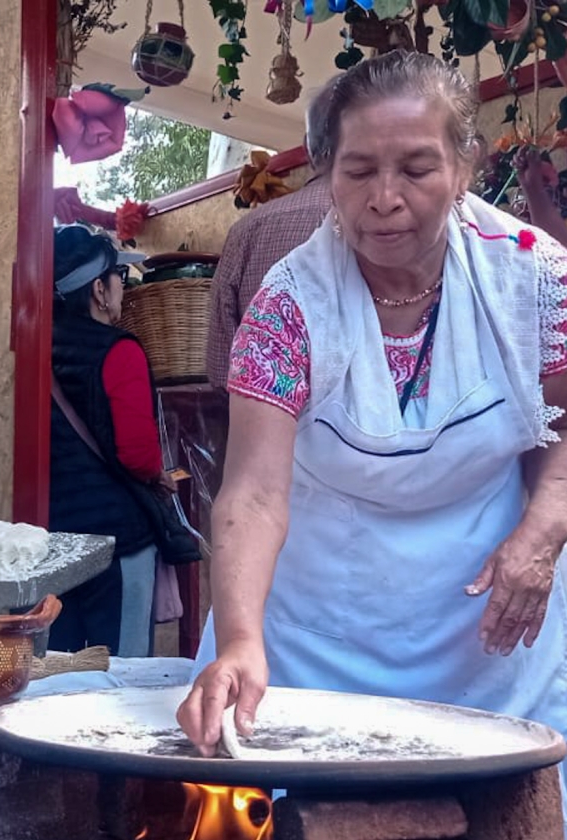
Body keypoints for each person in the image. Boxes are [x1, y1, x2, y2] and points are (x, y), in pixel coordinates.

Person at [177, 49, 567, 801]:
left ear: (464, 169)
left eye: (417, 169)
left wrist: (542, 534)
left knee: (500, 831)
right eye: (358, 171)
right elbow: (254, 493)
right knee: (293, 825)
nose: (384, 198)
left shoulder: (536, 277)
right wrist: (240, 642)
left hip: (487, 629)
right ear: (327, 173)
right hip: (317, 634)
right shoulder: (289, 304)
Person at [48, 225, 199, 657]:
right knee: (121, 675)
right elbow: (137, 453)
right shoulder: (120, 351)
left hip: (53, 539)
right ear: (99, 289)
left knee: (58, 672)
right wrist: (159, 475)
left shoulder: (38, 347)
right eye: (121, 279)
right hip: (117, 541)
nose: (124, 290)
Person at [204, 85, 336, 391]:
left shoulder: (248, 229)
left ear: (308, 146)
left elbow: (220, 366)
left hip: (263, 424)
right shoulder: (393, 226)